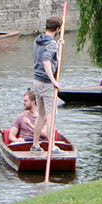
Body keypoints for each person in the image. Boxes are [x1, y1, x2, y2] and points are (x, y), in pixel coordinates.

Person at [31, 15, 62, 149]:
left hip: (36, 81)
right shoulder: (51, 44)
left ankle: (35, 144)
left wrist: (59, 47)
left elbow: (55, 60)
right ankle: (52, 147)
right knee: (50, 116)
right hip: (46, 83)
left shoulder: (37, 40)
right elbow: (46, 61)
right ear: (57, 28)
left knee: (41, 114)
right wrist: (53, 80)